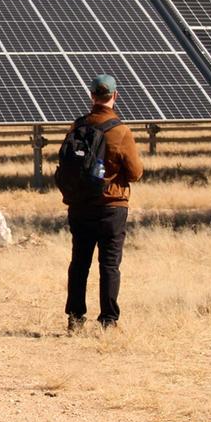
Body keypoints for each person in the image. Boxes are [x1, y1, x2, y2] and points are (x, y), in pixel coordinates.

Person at [62, 75, 143, 331]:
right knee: (109, 264)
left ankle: (75, 319)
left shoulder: (76, 127)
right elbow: (135, 173)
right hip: (112, 207)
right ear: (115, 96)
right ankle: (108, 320)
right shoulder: (120, 131)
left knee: (79, 263)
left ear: (91, 96)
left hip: (80, 205)